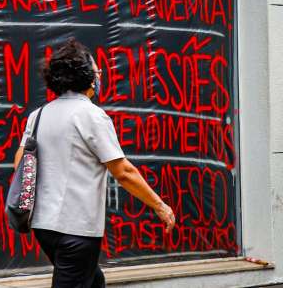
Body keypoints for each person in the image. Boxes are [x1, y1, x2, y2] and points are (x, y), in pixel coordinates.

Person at [13, 38, 175, 288]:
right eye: (98, 71)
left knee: (91, 280)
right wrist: (160, 206)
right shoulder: (91, 115)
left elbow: (20, 164)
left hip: (43, 225)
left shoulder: (39, 115)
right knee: (77, 276)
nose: (100, 77)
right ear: (88, 77)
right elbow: (123, 172)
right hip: (76, 228)